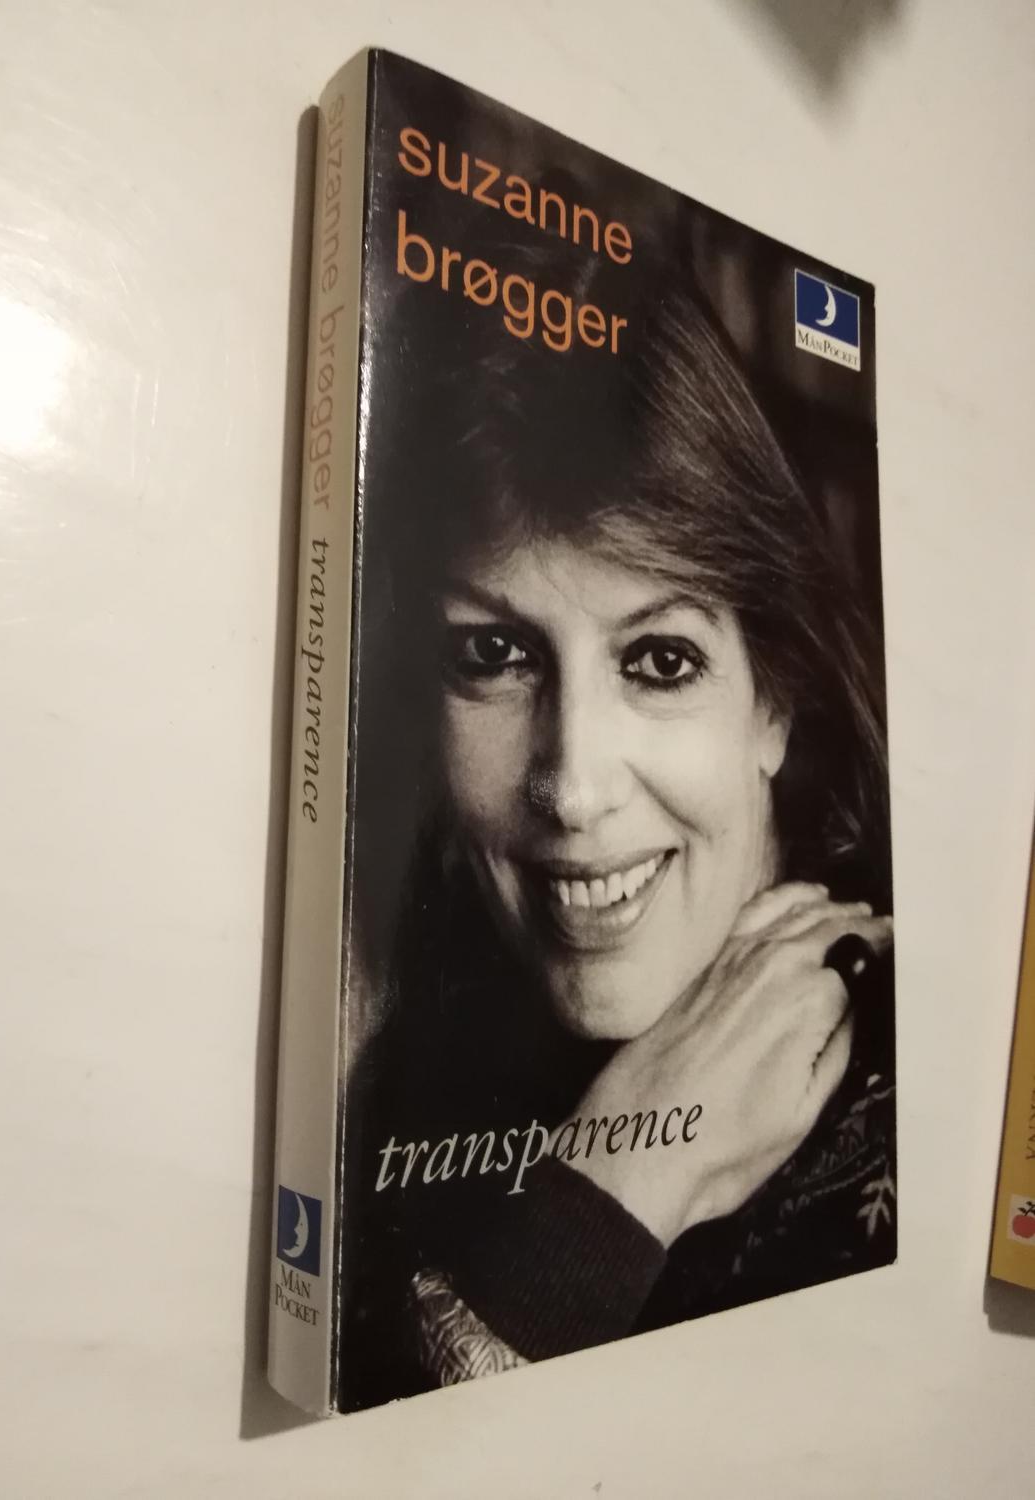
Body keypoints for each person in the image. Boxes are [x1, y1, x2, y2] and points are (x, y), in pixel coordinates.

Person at [340, 272, 895, 1408]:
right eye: (493, 656)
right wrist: (619, 1189)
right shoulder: (407, 1076)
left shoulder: (910, 1090)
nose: (572, 789)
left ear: (774, 700)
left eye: (660, 661)